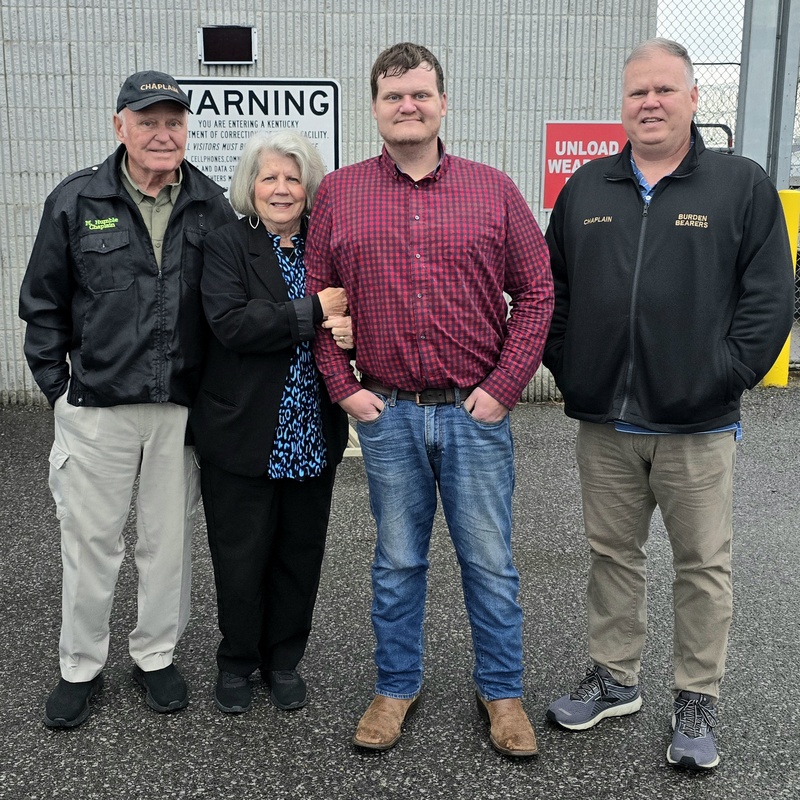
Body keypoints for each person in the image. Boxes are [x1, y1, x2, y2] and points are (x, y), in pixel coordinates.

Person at [542, 38, 794, 770]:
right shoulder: (586, 189)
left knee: (701, 565)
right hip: (605, 422)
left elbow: (770, 298)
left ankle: (696, 697)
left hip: (697, 422)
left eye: (663, 90)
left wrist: (726, 374)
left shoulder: (740, 186)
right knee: (611, 556)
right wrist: (572, 364)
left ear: (692, 99)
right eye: (636, 93)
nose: (649, 103)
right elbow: (551, 294)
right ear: (622, 106)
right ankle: (616, 678)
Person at [305, 42, 554, 756]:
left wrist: (504, 390)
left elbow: (537, 293)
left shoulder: (492, 189)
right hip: (388, 414)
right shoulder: (341, 194)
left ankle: (502, 696)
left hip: (474, 413)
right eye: (393, 96)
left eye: (419, 95)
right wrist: (345, 389)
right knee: (398, 562)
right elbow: (318, 302)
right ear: (375, 107)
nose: (407, 107)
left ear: (442, 103)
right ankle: (395, 686)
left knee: (490, 563)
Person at [18, 70, 236, 728]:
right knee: (91, 544)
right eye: (148, 121)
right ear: (120, 127)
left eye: (173, 121)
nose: (162, 134)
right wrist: (61, 389)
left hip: (177, 409)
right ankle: (80, 666)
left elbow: (222, 308)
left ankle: (155, 656)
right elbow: (43, 305)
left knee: (166, 544)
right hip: (96, 408)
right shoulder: (77, 200)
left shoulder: (210, 203)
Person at [189, 131, 352, 714]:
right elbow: (231, 322)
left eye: (293, 178)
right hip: (242, 433)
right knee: (240, 556)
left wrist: (349, 330)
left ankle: (283, 659)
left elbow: (355, 313)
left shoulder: (326, 245)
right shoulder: (226, 243)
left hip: (311, 431)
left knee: (299, 552)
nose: (281, 189)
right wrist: (313, 312)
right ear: (250, 187)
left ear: (310, 188)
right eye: (269, 178)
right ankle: (236, 662)